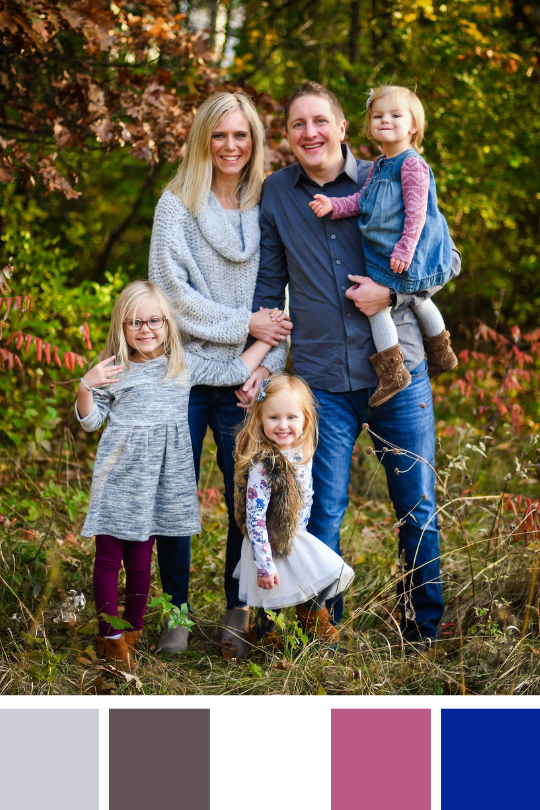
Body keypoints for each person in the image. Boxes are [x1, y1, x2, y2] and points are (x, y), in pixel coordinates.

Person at [244, 81, 462, 647]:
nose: (310, 133)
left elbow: (447, 259)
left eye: (321, 121)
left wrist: (390, 296)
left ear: (344, 128)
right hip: (320, 384)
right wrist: (262, 362)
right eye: (297, 125)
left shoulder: (388, 174)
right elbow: (270, 286)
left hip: (398, 373)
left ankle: (422, 631)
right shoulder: (276, 193)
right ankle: (322, 630)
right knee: (322, 512)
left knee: (416, 509)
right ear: (287, 136)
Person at [148, 91, 291, 659]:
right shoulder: (175, 205)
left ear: (253, 140)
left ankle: (239, 607)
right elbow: (170, 297)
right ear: (202, 138)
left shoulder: (268, 205)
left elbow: (282, 303)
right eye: (220, 134)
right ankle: (175, 613)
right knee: (175, 498)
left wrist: (262, 368)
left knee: (245, 497)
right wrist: (244, 325)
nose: (231, 146)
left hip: (245, 380)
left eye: (242, 135)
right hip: (182, 375)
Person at [76, 279, 274, 671]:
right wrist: (86, 384)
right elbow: (90, 421)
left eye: (154, 320)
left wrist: (268, 340)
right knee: (108, 557)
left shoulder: (182, 365)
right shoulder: (113, 370)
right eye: (135, 322)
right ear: (121, 326)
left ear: (168, 324)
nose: (145, 329)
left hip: (160, 484)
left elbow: (232, 369)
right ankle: (110, 637)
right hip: (120, 480)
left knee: (141, 561)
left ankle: (131, 631)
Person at [309, 85, 458, 407]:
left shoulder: (412, 165)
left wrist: (404, 249)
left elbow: (417, 213)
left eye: (395, 115)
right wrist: (334, 206)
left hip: (403, 255)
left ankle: (394, 372)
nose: (385, 120)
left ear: (413, 126)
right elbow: (363, 201)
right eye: (378, 115)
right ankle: (442, 353)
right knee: (417, 301)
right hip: (384, 254)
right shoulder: (379, 165)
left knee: (377, 308)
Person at [233, 373, 354, 646]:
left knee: (317, 580)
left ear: (305, 420)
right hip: (270, 545)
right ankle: (265, 638)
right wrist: (264, 565)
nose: (282, 425)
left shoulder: (301, 450)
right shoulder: (264, 466)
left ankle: (312, 625)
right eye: (273, 418)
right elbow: (255, 519)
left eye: (291, 417)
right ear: (260, 420)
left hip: (297, 535)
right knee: (272, 597)